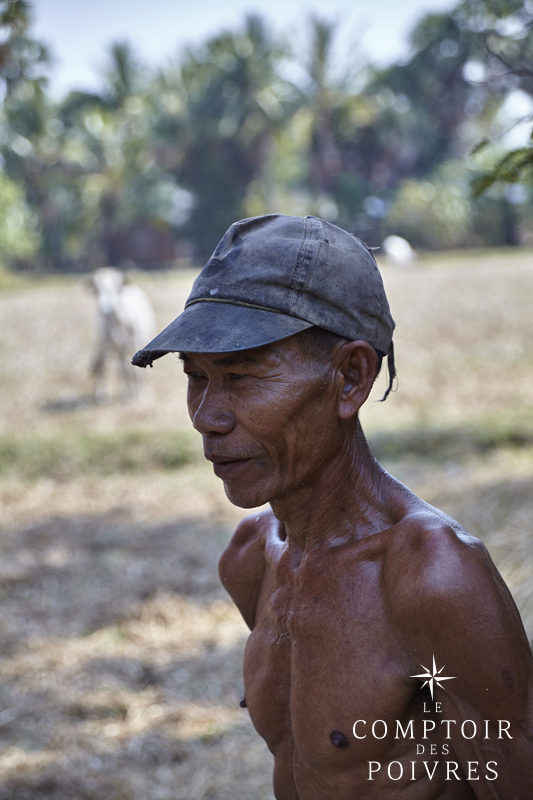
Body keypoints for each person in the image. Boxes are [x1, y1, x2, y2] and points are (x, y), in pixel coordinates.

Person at [133, 214, 533, 799]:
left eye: (243, 376)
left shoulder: (431, 581)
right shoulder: (253, 559)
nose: (206, 417)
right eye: (197, 377)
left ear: (350, 378)